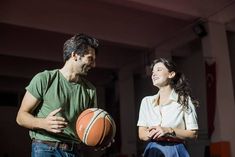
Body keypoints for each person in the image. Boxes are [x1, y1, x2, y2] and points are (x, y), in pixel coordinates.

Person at [16, 33, 101, 157]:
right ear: (75, 55)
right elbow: (20, 117)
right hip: (45, 148)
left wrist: (101, 136)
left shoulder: (90, 90)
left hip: (74, 151)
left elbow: (90, 124)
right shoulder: (44, 79)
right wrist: (43, 123)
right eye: (90, 58)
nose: (94, 65)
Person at [137, 58, 199, 157]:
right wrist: (152, 133)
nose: (153, 74)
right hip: (153, 149)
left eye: (159, 70)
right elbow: (141, 134)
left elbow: (193, 134)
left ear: (171, 74)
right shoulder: (146, 101)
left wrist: (168, 130)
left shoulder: (185, 100)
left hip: (175, 149)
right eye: (153, 72)